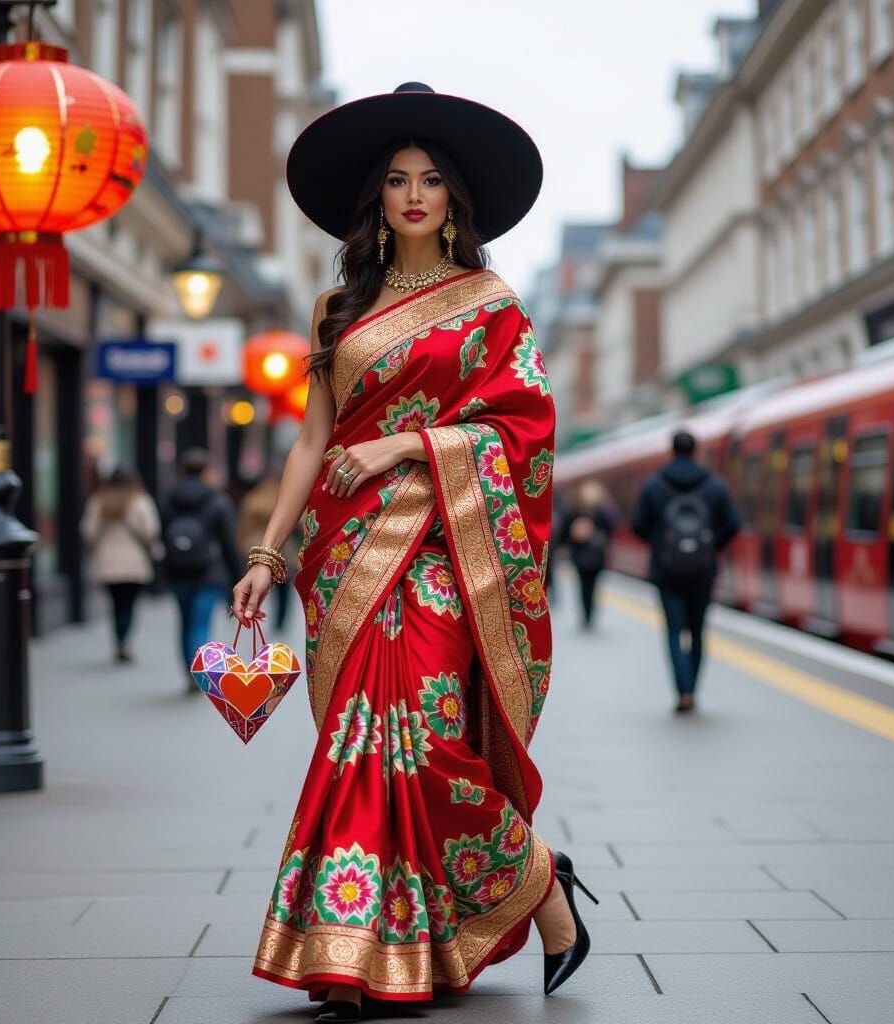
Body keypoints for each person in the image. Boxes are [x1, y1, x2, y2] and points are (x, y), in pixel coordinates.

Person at [231, 83, 596, 1022]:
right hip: (342, 557)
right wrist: (265, 558)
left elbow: (525, 431)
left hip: (440, 553)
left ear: (455, 197)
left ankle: (544, 889)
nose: (416, 194)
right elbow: (309, 443)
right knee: (361, 749)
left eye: (432, 179)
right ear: (378, 200)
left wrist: (406, 445)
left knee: (426, 747)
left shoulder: (490, 305)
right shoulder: (335, 309)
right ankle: (352, 956)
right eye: (397, 180)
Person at [631, 430, 741, 713]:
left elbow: (637, 524)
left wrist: (659, 544)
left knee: (673, 631)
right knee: (698, 630)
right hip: (703, 571)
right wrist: (710, 546)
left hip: (666, 571)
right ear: (695, 451)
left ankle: (682, 692)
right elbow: (733, 524)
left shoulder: (655, 485)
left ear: (672, 450)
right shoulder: (714, 486)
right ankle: (693, 687)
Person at [163, 448, 241, 689]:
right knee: (200, 623)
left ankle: (189, 670)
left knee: (185, 621)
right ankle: (198, 673)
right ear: (206, 472)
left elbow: (161, 534)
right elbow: (229, 544)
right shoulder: (218, 501)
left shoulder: (169, 498)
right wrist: (236, 580)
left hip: (177, 571)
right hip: (209, 572)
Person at [80, 465, 161, 663]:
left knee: (116, 604)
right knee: (129, 604)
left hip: (108, 563)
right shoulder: (140, 501)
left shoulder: (98, 501)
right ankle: (124, 641)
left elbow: (88, 531)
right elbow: (151, 530)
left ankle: (118, 641)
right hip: (134, 564)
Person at [236, 474, 299, 632]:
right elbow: (302, 523)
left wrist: (242, 544)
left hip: (257, 548)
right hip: (284, 552)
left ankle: (252, 613)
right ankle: (280, 622)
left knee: (255, 586)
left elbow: (244, 525)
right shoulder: (287, 503)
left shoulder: (253, 500)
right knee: (283, 591)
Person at [558, 480, 618, 630]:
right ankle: (589, 615)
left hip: (581, 555)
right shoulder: (602, 510)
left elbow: (563, 531)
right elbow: (612, 528)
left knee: (584, 586)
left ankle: (586, 616)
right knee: (591, 586)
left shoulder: (574, 510)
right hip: (595, 555)